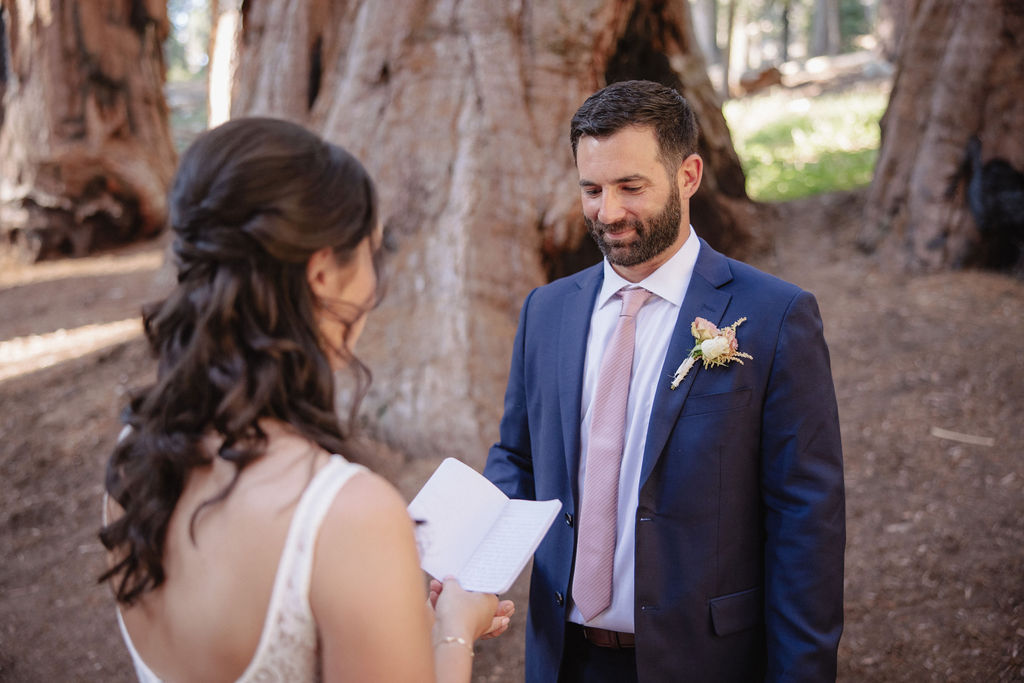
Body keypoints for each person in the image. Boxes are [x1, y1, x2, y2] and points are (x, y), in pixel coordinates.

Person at [99, 117, 513, 682]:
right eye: (373, 250)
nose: (374, 280)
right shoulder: (348, 517)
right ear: (322, 273)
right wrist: (453, 628)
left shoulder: (135, 458)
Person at [484, 80, 845, 682]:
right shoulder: (545, 312)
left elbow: (805, 518)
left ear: (689, 175)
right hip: (562, 659)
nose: (609, 212)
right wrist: (472, 564)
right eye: (592, 189)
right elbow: (517, 457)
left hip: (706, 661)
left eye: (631, 187)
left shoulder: (777, 316)